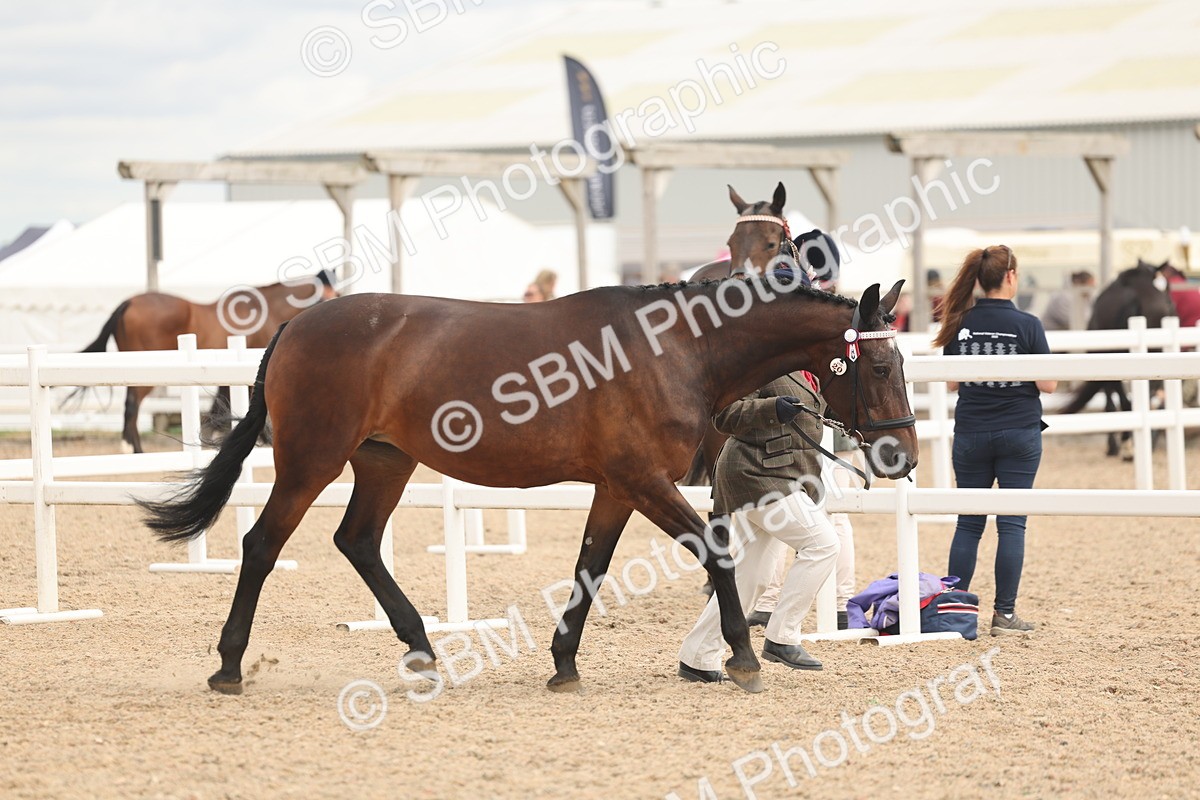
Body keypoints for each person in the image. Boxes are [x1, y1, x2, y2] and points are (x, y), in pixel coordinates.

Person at [677, 268, 840, 681]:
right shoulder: (751, 351)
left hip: (786, 472)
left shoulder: (802, 355)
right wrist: (772, 409)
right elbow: (726, 413)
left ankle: (698, 655)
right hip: (754, 472)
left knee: (753, 574)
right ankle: (782, 635)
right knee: (823, 544)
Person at [933, 245, 1056, 636]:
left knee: (968, 524)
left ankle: (955, 613)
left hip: (971, 430)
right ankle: (1004, 615)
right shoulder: (1028, 324)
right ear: (1010, 276)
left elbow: (952, 381)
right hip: (1019, 430)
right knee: (1012, 524)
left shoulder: (959, 321)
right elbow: (1048, 384)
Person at [747, 230, 858, 632]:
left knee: (799, 511)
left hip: (815, 416)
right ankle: (842, 600)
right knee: (828, 512)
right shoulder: (836, 307)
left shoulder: (809, 309)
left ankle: (776, 599)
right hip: (822, 417)